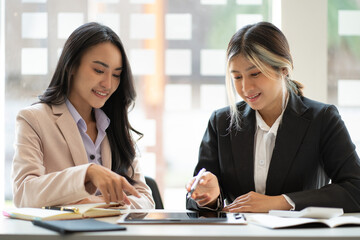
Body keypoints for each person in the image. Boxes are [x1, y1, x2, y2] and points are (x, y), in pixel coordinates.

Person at [186, 21, 360, 213]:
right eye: (237, 77)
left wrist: (279, 202)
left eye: (255, 73)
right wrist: (207, 197)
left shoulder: (322, 119)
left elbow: (355, 189)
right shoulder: (221, 122)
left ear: (283, 69)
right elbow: (193, 201)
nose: (245, 88)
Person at [12, 22, 155, 209]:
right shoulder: (33, 120)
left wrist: (93, 203)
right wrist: (87, 173)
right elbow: (24, 194)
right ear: (71, 66)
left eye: (116, 75)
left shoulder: (116, 127)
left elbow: (146, 201)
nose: (108, 84)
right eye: (99, 71)